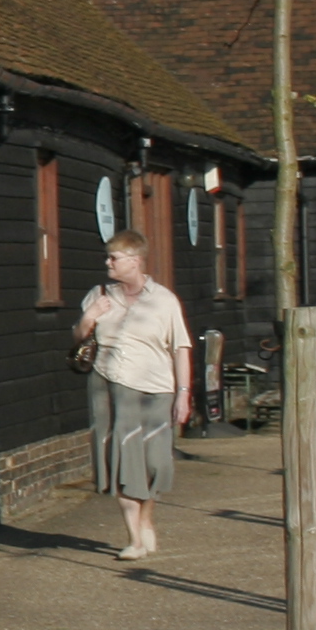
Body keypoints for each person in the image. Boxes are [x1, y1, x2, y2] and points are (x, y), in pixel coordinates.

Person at [76, 228, 194, 558]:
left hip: (156, 390)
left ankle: (146, 520)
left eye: (114, 257)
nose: (108, 262)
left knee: (154, 462)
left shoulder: (164, 300)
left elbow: (181, 348)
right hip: (110, 386)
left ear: (135, 261)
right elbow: (78, 337)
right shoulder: (99, 294)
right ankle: (134, 540)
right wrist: (89, 317)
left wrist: (184, 394)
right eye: (108, 256)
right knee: (121, 460)